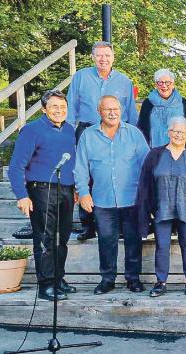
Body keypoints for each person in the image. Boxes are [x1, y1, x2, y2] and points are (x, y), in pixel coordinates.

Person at [74, 95, 150, 295]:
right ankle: (107, 279)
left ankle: (133, 278)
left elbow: (146, 166)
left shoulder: (134, 134)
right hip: (103, 199)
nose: (112, 112)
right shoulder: (88, 136)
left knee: (134, 240)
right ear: (99, 112)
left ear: (121, 110)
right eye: (107, 109)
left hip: (132, 199)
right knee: (106, 241)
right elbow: (80, 167)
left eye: (116, 109)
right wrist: (83, 192)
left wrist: (148, 197)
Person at [8, 90, 77, 301]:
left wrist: (74, 189)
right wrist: (22, 195)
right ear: (44, 108)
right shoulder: (31, 130)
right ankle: (46, 284)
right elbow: (16, 167)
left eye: (63, 107)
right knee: (45, 239)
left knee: (62, 238)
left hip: (66, 190)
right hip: (41, 190)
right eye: (54, 107)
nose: (59, 111)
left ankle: (58, 279)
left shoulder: (70, 130)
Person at [66, 41, 138, 241]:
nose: (103, 59)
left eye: (107, 55)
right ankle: (88, 225)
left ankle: (121, 224)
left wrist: (132, 136)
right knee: (85, 176)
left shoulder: (124, 82)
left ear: (113, 57)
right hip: (87, 129)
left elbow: (131, 112)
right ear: (92, 57)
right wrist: (68, 135)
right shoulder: (80, 77)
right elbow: (71, 106)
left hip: (117, 132)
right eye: (99, 55)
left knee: (117, 173)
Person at [135, 117, 186, 298]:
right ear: (169, 132)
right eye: (175, 131)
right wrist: (149, 209)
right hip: (161, 208)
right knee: (162, 246)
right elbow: (145, 184)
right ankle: (161, 282)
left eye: (183, 132)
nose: (179, 135)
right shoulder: (155, 155)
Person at [137, 69, 186, 148]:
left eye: (168, 82)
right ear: (156, 85)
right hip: (153, 151)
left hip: (179, 151)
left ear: (173, 84)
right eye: (160, 82)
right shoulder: (148, 103)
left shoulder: (184, 103)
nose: (164, 86)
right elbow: (141, 128)